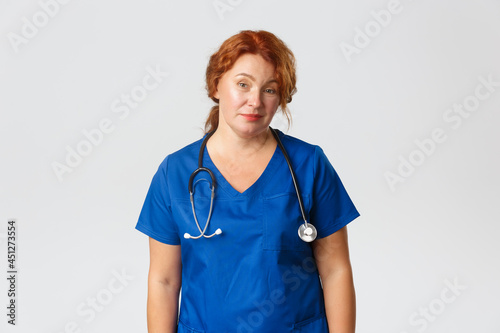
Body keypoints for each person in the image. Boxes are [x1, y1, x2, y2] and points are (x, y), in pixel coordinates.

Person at [136, 30, 360, 333]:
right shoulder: (174, 173)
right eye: (243, 84)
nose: (254, 101)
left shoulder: (308, 165)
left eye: (270, 89)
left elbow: (335, 270)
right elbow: (163, 281)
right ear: (216, 86)